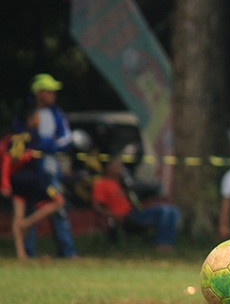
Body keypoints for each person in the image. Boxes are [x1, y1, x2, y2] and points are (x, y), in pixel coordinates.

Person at [16, 74, 77, 258]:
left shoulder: (56, 113)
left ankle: (66, 251)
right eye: (50, 91)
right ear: (39, 93)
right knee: (32, 207)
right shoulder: (25, 112)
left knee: (57, 205)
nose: (53, 95)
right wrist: (39, 145)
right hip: (28, 169)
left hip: (49, 167)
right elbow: (20, 138)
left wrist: (48, 145)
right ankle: (28, 251)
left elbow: (66, 138)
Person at [2, 104, 70, 260]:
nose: (39, 119)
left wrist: (5, 182)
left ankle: (21, 254)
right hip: (33, 179)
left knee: (17, 215)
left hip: (16, 180)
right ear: (31, 119)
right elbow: (50, 146)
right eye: (37, 117)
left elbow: (7, 159)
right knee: (58, 201)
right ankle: (27, 223)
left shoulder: (13, 137)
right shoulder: (34, 135)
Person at [91, 155, 179, 252]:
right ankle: (161, 244)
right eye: (117, 165)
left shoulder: (123, 182)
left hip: (134, 212)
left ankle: (168, 243)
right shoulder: (101, 184)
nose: (121, 168)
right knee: (163, 211)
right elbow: (97, 206)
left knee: (173, 210)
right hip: (125, 218)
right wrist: (113, 216)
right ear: (108, 167)